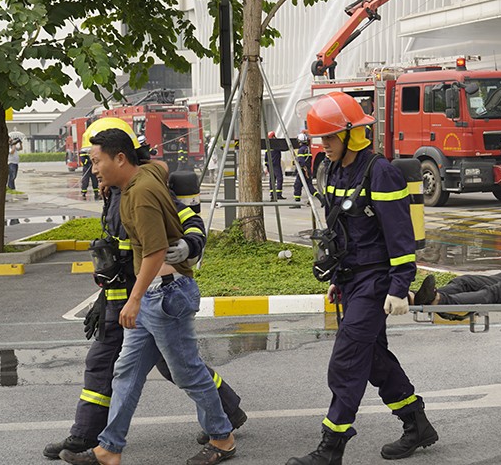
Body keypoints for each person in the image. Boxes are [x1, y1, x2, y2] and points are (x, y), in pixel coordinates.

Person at [46, 119, 246, 461]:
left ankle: (223, 434)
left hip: (158, 293)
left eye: (95, 161)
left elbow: (163, 242)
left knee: (184, 370)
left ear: (120, 158)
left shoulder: (141, 190)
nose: (91, 169)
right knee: (123, 370)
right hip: (136, 292)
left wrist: (189, 246)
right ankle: (107, 448)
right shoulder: (120, 190)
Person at [287, 92, 438, 464]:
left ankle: (331, 448)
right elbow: (339, 230)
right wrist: (338, 276)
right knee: (373, 359)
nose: (324, 145)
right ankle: (416, 423)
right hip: (352, 279)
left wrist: (400, 286)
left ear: (353, 134)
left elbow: (399, 235)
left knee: (347, 360)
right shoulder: (336, 168)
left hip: (376, 283)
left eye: (330, 138)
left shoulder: (379, 172)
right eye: (322, 139)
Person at [290, 131, 317, 208]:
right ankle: (321, 198)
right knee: (310, 186)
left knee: (297, 185)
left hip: (303, 171)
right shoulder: (308, 149)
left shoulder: (301, 150)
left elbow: (301, 161)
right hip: (307, 170)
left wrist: (299, 165)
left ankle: (297, 203)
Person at [266, 131, 284, 200]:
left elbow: (266, 158)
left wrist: (267, 166)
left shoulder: (268, 146)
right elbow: (282, 148)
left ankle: (272, 194)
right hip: (276, 165)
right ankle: (278, 194)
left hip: (270, 165)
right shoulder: (275, 145)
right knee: (279, 178)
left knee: (272, 179)